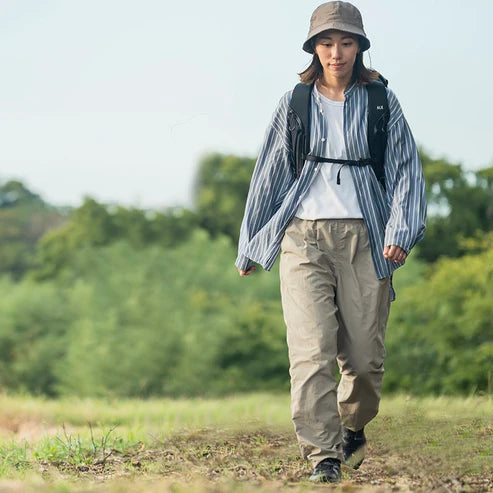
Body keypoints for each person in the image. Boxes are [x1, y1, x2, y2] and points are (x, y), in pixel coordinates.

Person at [235, 1, 426, 483]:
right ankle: (323, 455)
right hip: (303, 237)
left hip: (367, 236)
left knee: (364, 360)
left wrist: (401, 232)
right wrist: (252, 243)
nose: (335, 52)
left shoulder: (382, 101)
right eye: (326, 43)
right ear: (313, 49)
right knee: (310, 351)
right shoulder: (294, 103)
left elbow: (406, 171)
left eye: (345, 42)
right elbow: (269, 173)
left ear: (359, 47)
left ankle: (352, 425)